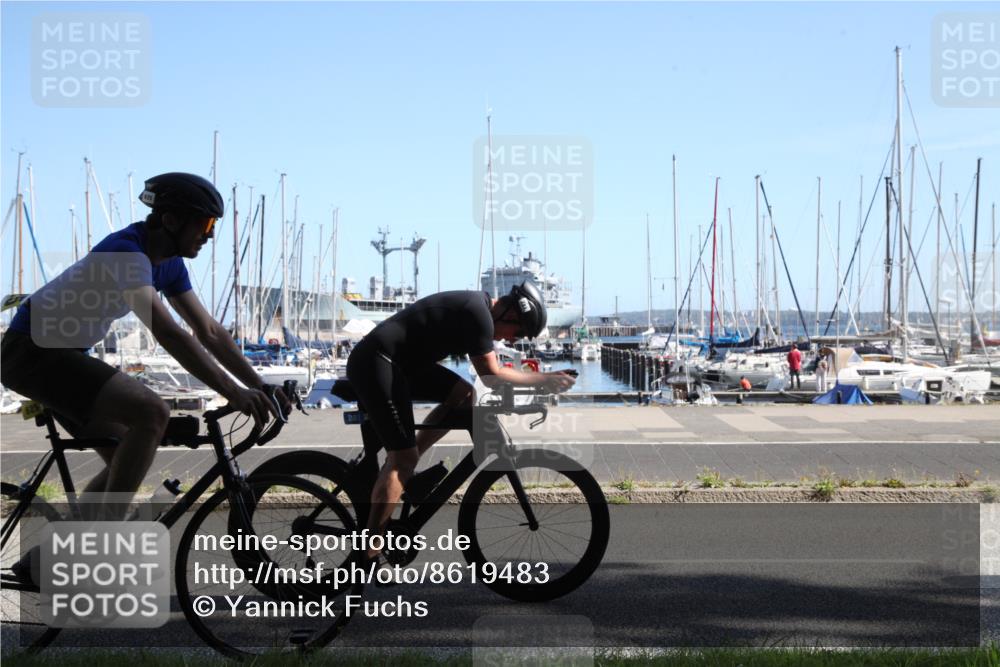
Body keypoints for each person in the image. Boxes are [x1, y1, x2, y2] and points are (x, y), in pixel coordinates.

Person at [1, 172, 282, 529]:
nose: (210, 235)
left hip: (61, 355)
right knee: (153, 412)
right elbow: (168, 332)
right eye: (207, 223)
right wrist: (232, 392)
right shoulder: (127, 253)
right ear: (170, 220)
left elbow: (208, 330)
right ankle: (108, 538)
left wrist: (258, 385)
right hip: (33, 351)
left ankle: (45, 561)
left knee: (125, 459)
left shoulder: (169, 264)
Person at [345, 280, 575, 561]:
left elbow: (486, 381)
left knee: (464, 396)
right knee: (401, 459)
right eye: (519, 332)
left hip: (400, 365)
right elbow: (491, 374)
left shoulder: (478, 312)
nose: (513, 340)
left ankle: (408, 471)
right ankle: (369, 553)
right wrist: (545, 381)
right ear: (511, 313)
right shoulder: (477, 313)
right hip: (376, 362)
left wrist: (541, 383)